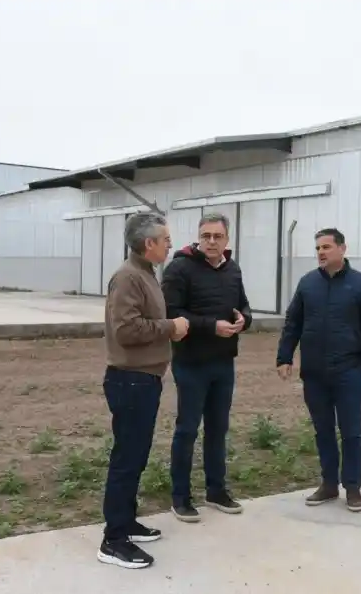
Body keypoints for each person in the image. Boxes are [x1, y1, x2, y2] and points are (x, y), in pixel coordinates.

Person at [98, 211, 189, 570]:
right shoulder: (128, 278)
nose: (169, 244)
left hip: (144, 379)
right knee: (127, 459)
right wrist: (170, 327)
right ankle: (113, 540)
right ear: (148, 243)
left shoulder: (145, 274)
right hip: (130, 380)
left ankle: (126, 521)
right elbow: (126, 330)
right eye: (165, 239)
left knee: (135, 456)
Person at [275, 228, 361, 512]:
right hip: (314, 373)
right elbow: (293, 322)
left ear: (342, 248)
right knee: (322, 430)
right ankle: (328, 484)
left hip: (348, 371)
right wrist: (284, 356)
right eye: (318, 248)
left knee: (350, 431)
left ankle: (352, 488)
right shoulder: (307, 284)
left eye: (326, 246)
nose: (321, 252)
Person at [161, 212, 252, 523]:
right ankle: (180, 497)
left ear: (227, 240)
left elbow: (243, 303)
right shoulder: (179, 268)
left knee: (218, 429)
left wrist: (244, 319)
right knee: (187, 430)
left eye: (218, 236)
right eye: (206, 236)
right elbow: (171, 312)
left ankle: (216, 490)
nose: (211, 241)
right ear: (198, 238)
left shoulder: (233, 270)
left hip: (223, 362)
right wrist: (210, 326)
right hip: (191, 363)